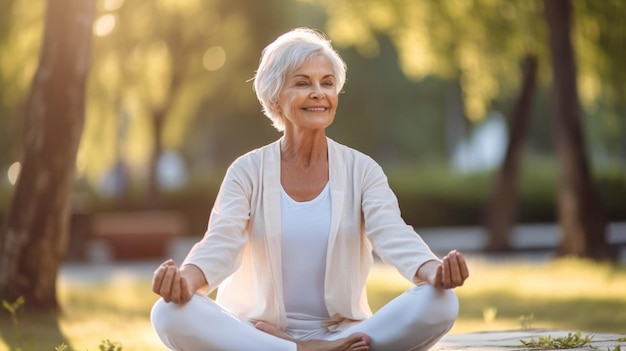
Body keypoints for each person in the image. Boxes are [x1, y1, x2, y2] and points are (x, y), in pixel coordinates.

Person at [151, 27, 469, 351]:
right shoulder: (246, 171)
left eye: (327, 83)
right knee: (167, 313)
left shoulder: (363, 170)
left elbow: (392, 233)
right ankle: (297, 350)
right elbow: (221, 242)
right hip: (258, 334)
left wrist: (434, 271)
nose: (319, 93)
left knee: (441, 303)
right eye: (303, 83)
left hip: (343, 335)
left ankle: (319, 348)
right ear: (275, 96)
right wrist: (184, 282)